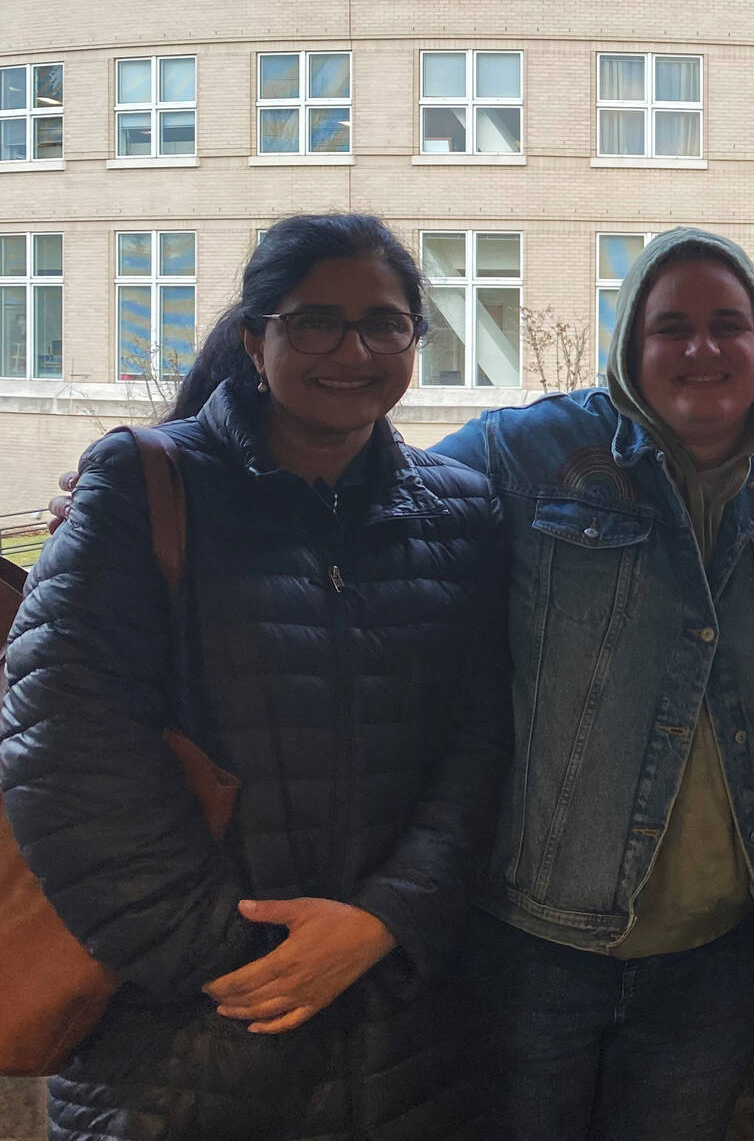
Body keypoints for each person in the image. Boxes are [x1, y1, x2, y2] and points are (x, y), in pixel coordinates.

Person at [2, 213, 510, 1140]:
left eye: (384, 323)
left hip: (405, 1040)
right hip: (180, 1039)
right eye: (315, 322)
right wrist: (247, 960)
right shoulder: (142, 485)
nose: (352, 351)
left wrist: (384, 923)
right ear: (253, 338)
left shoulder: (461, 514)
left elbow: (479, 748)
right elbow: (65, 753)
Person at [430, 226, 754, 1141]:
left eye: (728, 324)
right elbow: (379, 503)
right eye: (672, 327)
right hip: (535, 941)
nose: (702, 348)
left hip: (723, 952)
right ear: (630, 343)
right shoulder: (527, 453)